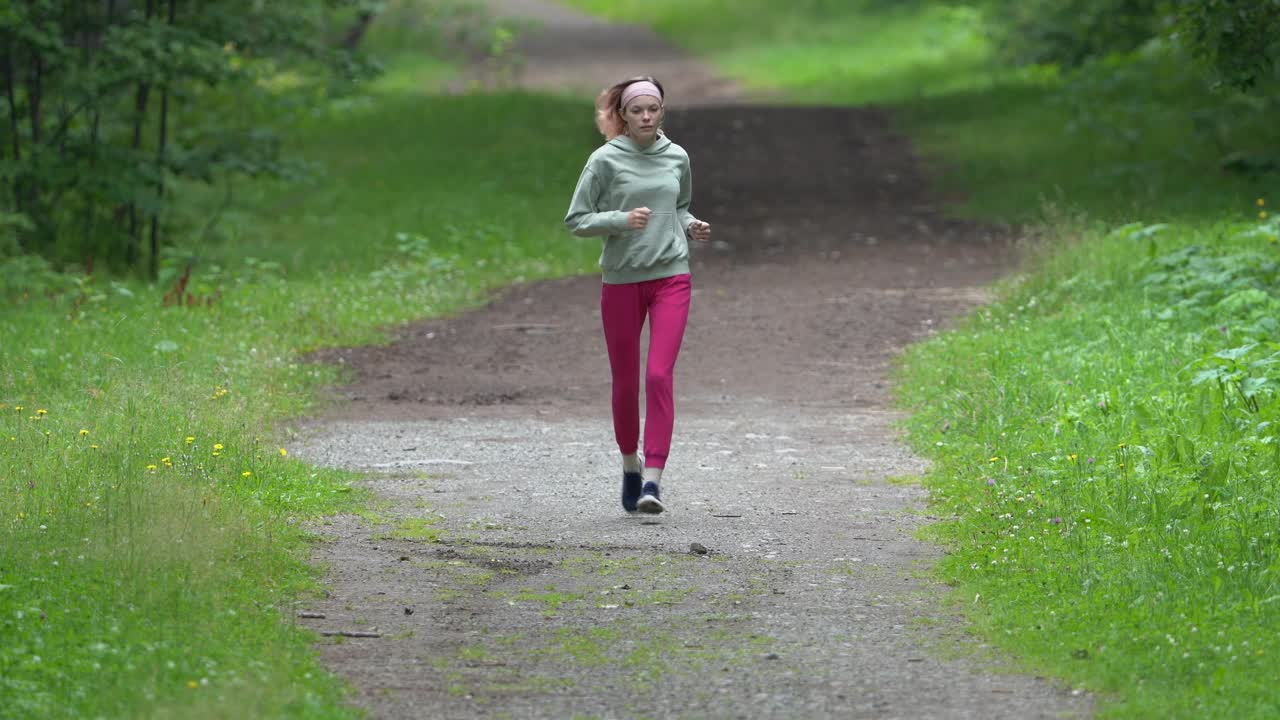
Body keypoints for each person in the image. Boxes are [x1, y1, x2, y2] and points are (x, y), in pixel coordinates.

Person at [564, 76, 712, 515]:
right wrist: (620, 219)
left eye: (653, 109)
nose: (646, 116)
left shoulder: (677, 156)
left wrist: (691, 225)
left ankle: (653, 481)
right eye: (637, 110)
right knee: (627, 381)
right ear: (623, 116)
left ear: (662, 111)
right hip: (622, 280)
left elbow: (679, 205)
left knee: (658, 376)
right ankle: (630, 463)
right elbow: (577, 219)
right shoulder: (605, 160)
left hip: (671, 277)